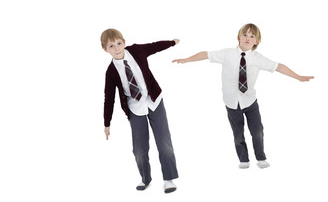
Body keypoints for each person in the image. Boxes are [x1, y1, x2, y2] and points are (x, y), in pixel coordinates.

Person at [173, 23, 314, 169]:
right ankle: (244, 159)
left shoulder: (258, 58)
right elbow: (205, 54)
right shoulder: (227, 53)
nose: (248, 38)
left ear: (256, 41)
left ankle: (261, 157)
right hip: (231, 102)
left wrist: (299, 77)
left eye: (252, 36)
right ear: (239, 37)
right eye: (245, 35)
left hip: (250, 101)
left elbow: (278, 66)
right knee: (238, 133)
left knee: (257, 131)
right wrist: (186, 59)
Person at [101, 28, 179, 193]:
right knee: (139, 150)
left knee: (164, 143)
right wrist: (106, 123)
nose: (117, 48)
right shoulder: (111, 72)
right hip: (135, 108)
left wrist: (171, 43)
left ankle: (169, 179)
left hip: (154, 101)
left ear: (124, 42)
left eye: (119, 43)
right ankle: (145, 178)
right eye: (111, 46)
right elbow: (109, 98)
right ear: (105, 50)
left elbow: (154, 46)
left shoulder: (136, 51)